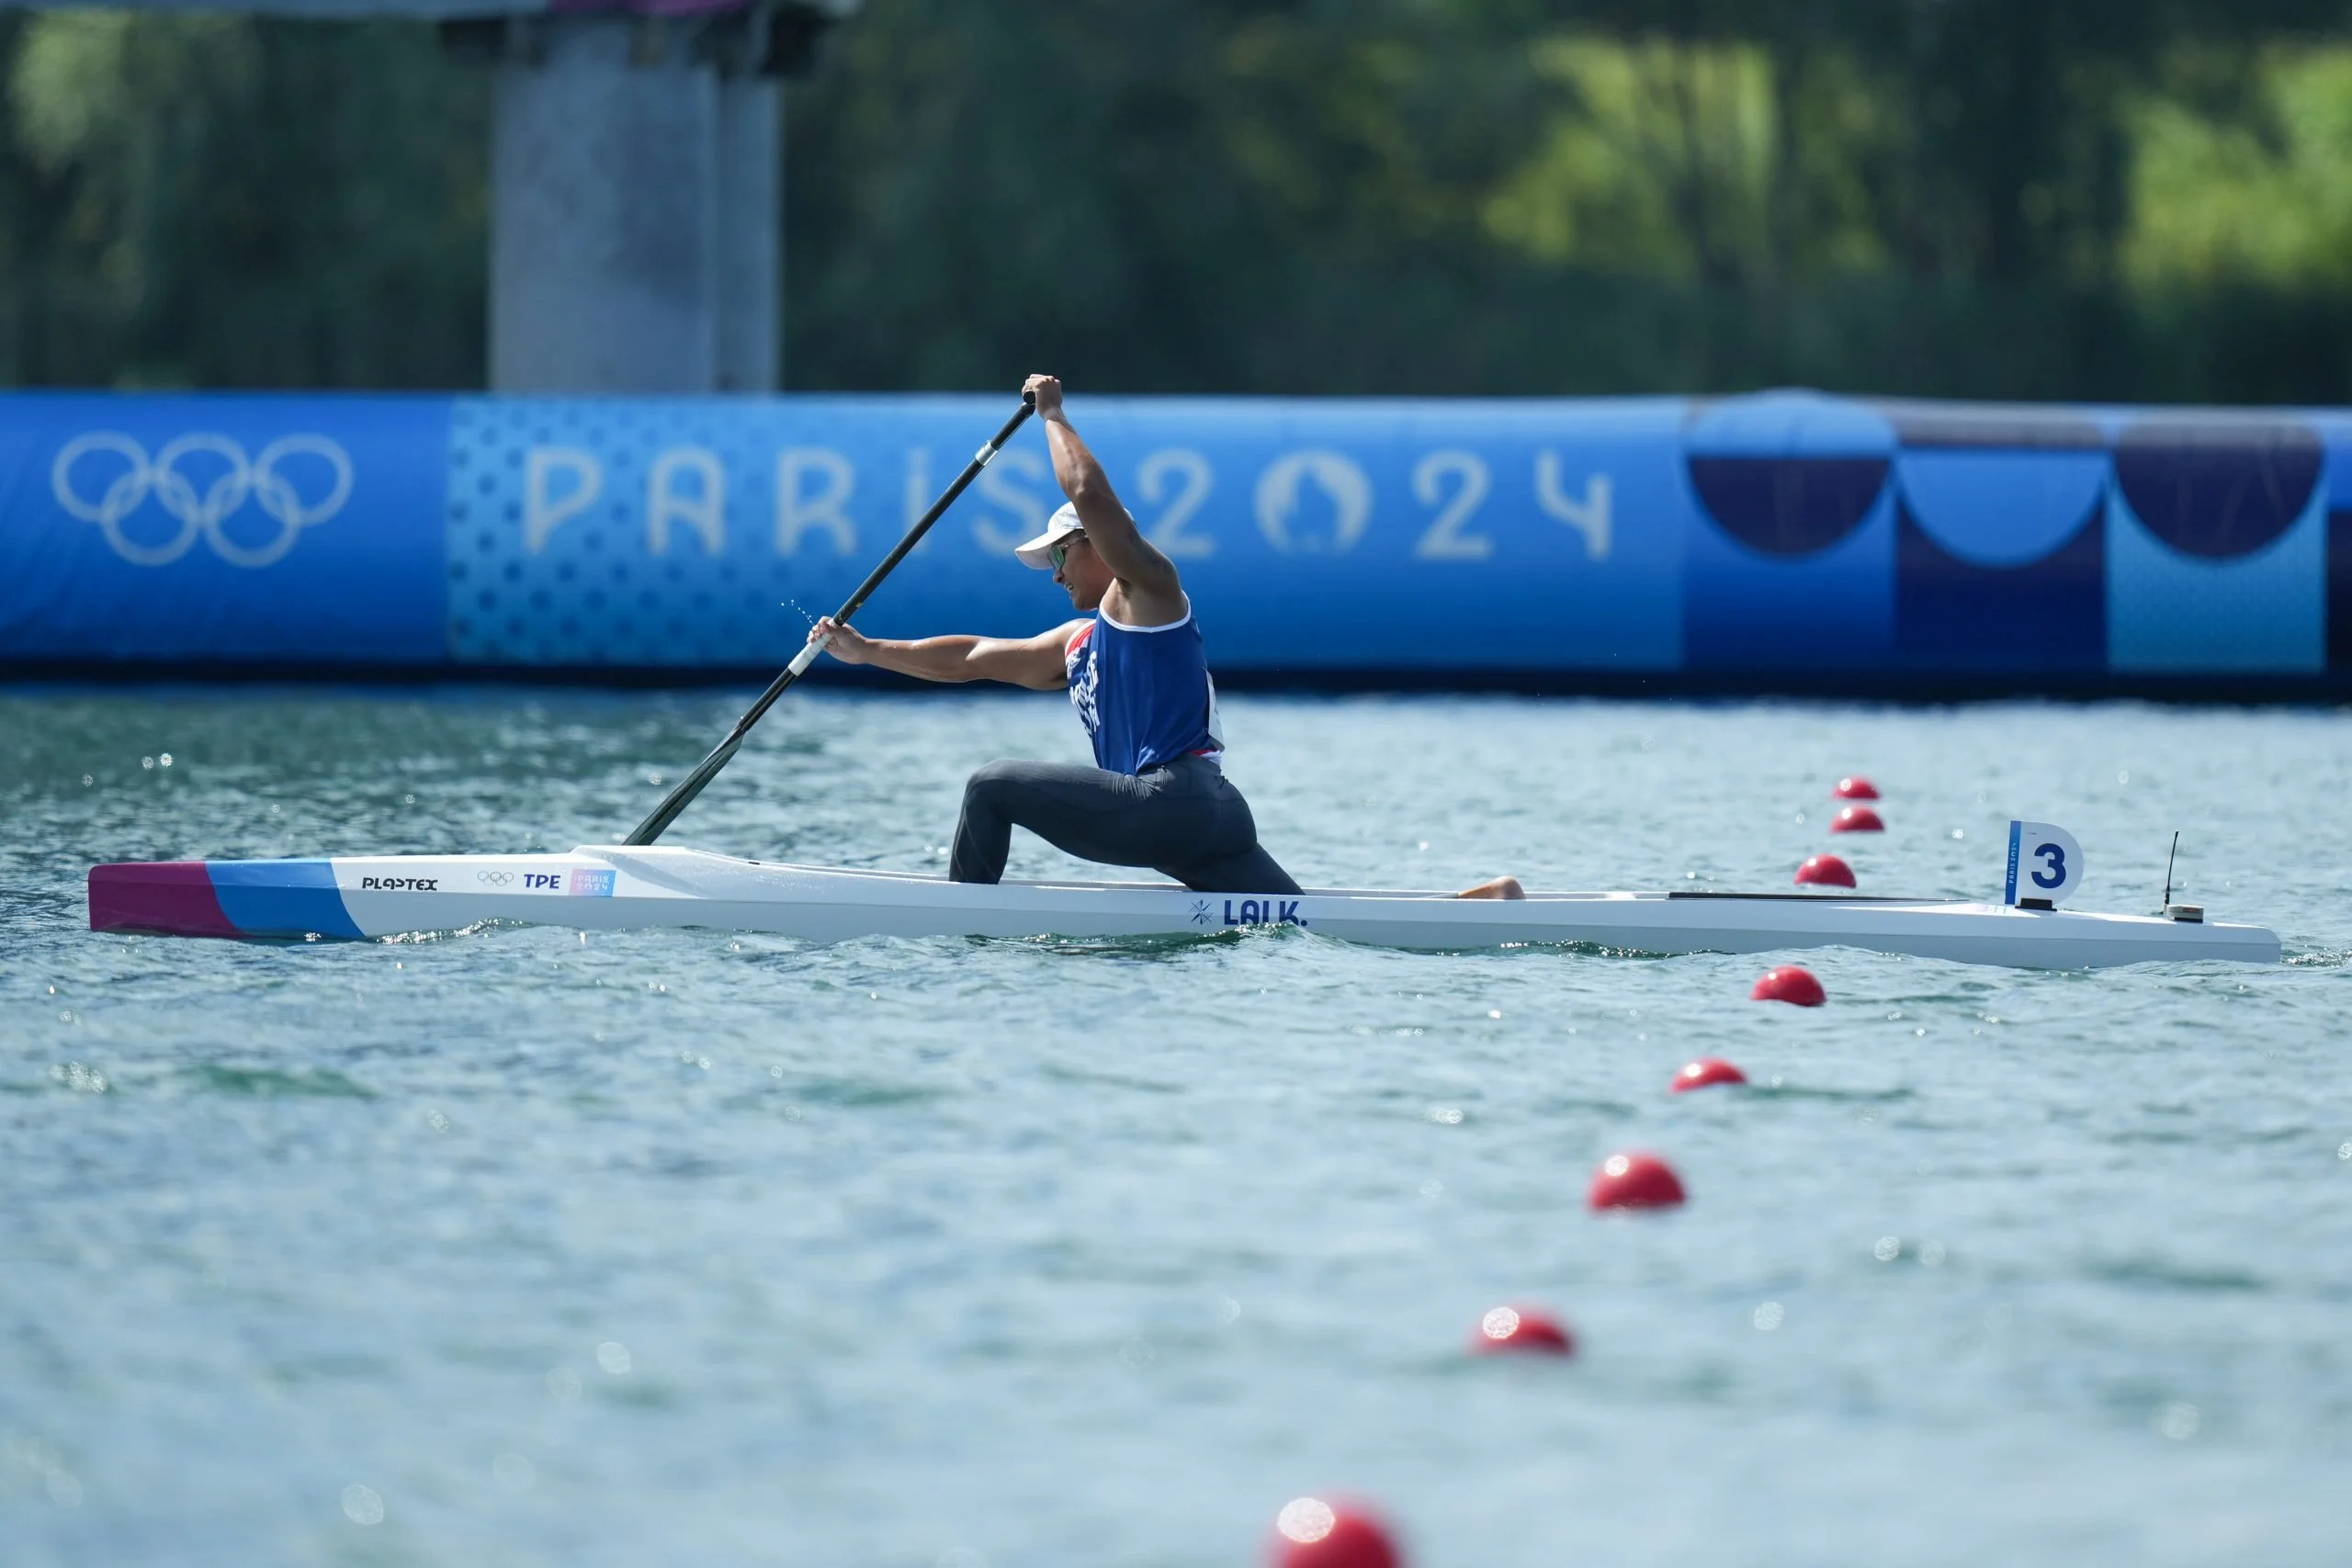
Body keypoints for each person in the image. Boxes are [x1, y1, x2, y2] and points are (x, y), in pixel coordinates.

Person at [807, 373, 1303, 894]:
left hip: (1171, 803)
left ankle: (959, 929)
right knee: (1308, 922)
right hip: (1214, 818)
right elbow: (970, 658)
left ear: (1096, 543)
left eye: (1061, 554)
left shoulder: (1149, 591)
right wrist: (866, 651)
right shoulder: (1078, 643)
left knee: (991, 787)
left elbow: (1087, 491)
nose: (1057, 574)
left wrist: (1052, 415)